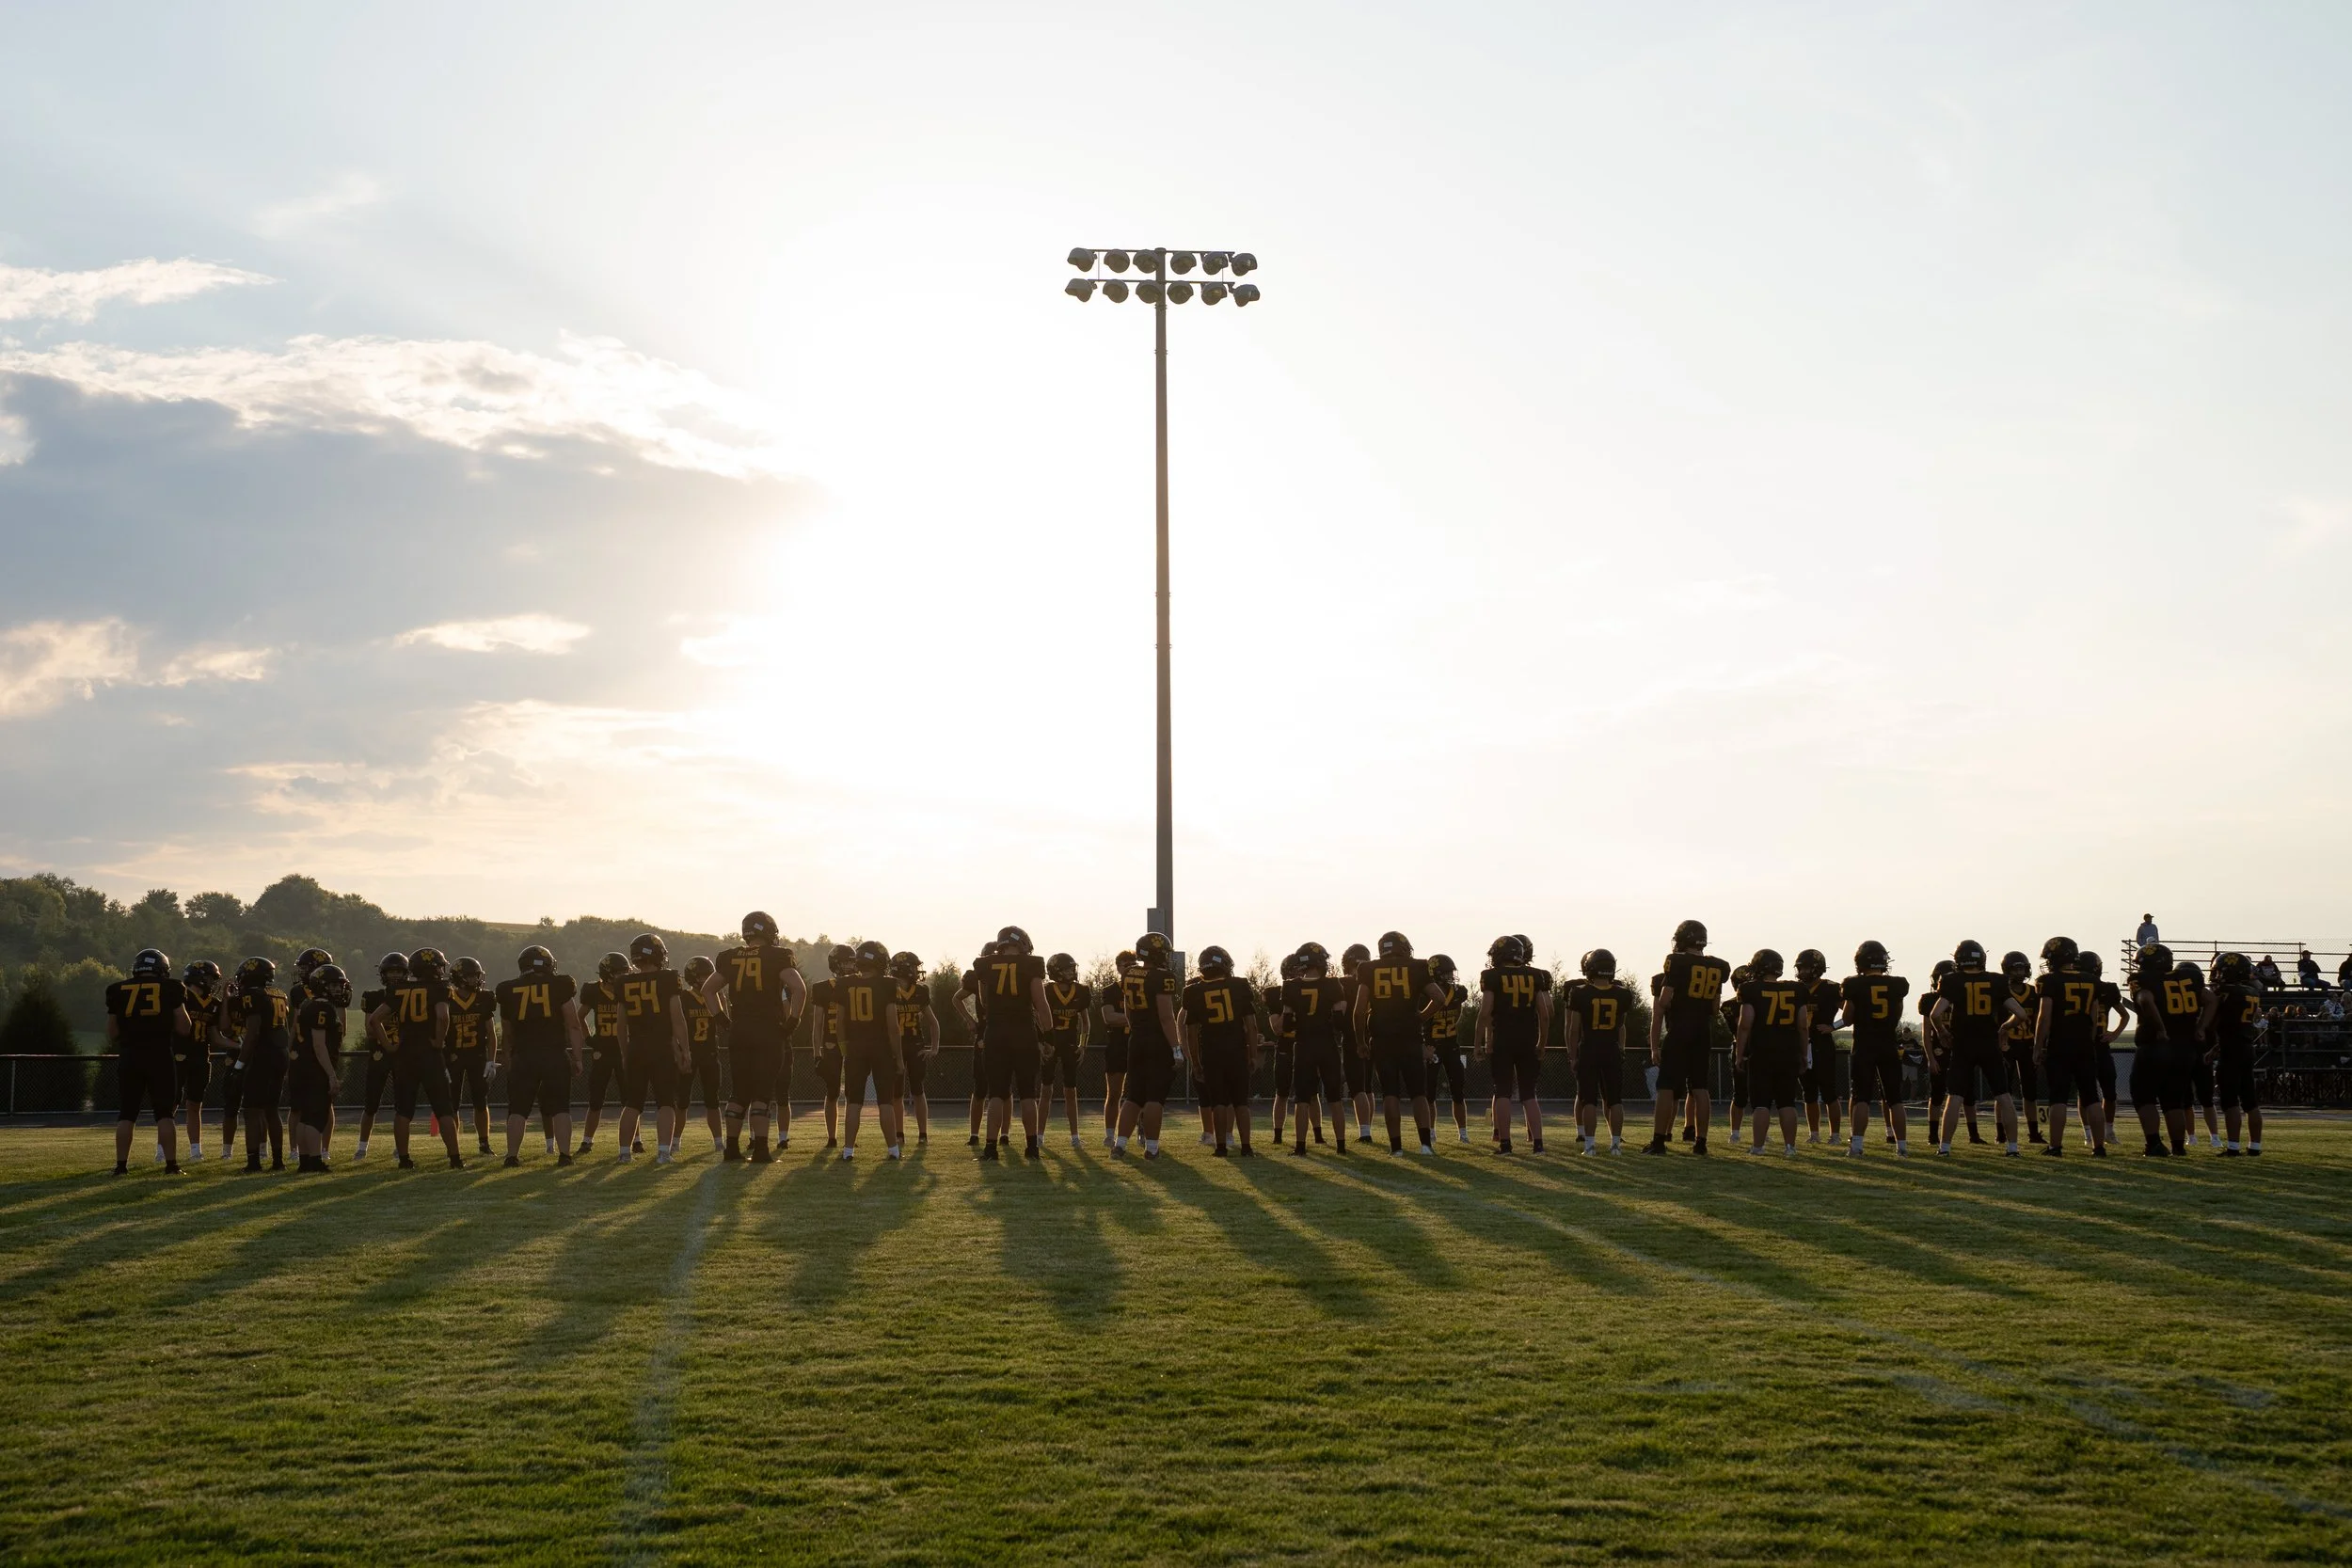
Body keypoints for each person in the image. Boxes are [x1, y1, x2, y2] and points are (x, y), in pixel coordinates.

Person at [705, 911, 806, 1164]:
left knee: (739, 1092)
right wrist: (793, 1020)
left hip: (739, 1031)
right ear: (768, 931)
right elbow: (799, 988)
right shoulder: (777, 956)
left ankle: (731, 1149)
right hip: (767, 1031)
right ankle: (761, 1150)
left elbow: (708, 989)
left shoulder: (730, 957)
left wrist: (721, 1019)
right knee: (762, 1091)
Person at [370, 947, 464, 1169]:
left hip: (404, 1056)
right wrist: (439, 1041)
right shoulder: (441, 988)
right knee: (444, 1109)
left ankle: (404, 1159)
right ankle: (455, 1158)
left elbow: (374, 1020)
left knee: (403, 1110)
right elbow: (442, 1017)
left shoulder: (399, 990)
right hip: (430, 1055)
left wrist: (389, 1046)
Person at [1353, 931, 1446, 1155]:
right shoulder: (1417, 966)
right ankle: (1425, 1145)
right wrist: (1421, 1016)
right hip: (1410, 1037)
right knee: (1418, 1093)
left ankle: (1396, 1148)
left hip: (1382, 1038)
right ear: (1403, 948)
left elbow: (1358, 1011)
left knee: (1390, 1094)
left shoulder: (1368, 969)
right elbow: (1440, 998)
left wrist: (1360, 1041)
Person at [1931, 940, 2028, 1156]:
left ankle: (1944, 1147)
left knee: (1954, 1097)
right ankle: (2012, 1148)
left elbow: (1936, 1014)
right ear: (1982, 959)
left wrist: (1942, 1032)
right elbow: (2021, 1014)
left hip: (1963, 1044)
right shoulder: (1996, 981)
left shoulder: (1951, 980)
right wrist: (2005, 1028)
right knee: (2003, 1096)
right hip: (1988, 1044)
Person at [494, 944, 583, 1165]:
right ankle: (564, 1155)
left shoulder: (507, 989)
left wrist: (507, 1057)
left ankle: (512, 1156)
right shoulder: (560, 984)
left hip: (524, 1055)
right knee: (561, 1107)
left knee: (518, 1109)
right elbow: (573, 1025)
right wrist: (578, 1057)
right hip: (553, 1054)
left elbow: (507, 1032)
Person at [1646, 921, 1728, 1156]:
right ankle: (1701, 1142)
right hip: (1703, 1031)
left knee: (1666, 1088)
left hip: (1680, 1029)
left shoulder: (1677, 962)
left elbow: (1663, 1002)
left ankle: (1659, 1140)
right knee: (1700, 1087)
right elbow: (1715, 1008)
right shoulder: (1718, 966)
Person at [106, 949, 190, 1174]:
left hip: (130, 1055)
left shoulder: (116, 990)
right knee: (164, 1113)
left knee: (127, 1112)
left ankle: (121, 1166)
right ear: (162, 969)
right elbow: (184, 1027)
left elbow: (112, 1032)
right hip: (159, 1055)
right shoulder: (172, 987)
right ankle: (171, 1165)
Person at [612, 933, 690, 1164]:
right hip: (661, 1046)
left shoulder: (623, 982)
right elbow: (677, 1019)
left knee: (632, 1103)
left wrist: (625, 1052)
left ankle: (624, 1153)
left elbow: (621, 1024)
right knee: (666, 1102)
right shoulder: (667, 979)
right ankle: (664, 1153)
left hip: (636, 1046)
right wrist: (685, 1050)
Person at [976, 926, 1050, 1159]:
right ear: (1021, 943)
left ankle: (990, 1147)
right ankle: (1032, 1147)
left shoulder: (985, 964)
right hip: (1023, 1032)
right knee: (1028, 1092)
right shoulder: (1032, 964)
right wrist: (1049, 1035)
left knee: (996, 1093)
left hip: (996, 1032)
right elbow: (1041, 1002)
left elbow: (984, 1001)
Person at [1477, 934, 1553, 1155]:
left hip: (1503, 1041)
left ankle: (1505, 1143)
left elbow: (1484, 1013)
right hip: (1528, 1040)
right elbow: (1545, 1015)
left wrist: (1478, 1042)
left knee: (1502, 1092)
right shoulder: (1535, 975)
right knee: (1529, 1093)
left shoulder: (1492, 976)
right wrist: (1542, 1042)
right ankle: (1538, 1144)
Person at [2030, 938, 2106, 1158]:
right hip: (2084, 1044)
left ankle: (2055, 1146)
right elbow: (2094, 1015)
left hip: (2060, 1044)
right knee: (2091, 1096)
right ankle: (2098, 1147)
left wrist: (2037, 1046)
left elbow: (2044, 1016)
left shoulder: (2049, 981)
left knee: (2059, 1098)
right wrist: (2089, 1040)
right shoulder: (2092, 980)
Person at [1183, 945, 1258, 1155]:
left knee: (1218, 1102)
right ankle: (1246, 1147)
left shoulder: (1192, 991)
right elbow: (1251, 1025)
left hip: (1211, 1052)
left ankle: (1221, 1146)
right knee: (1241, 1101)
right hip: (1235, 1050)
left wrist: (1195, 1062)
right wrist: (1252, 1054)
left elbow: (1191, 1032)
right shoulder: (1239, 985)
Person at [1114, 932, 1184, 1157]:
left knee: (1133, 1096)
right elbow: (1166, 1016)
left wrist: (1136, 1030)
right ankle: (1151, 1148)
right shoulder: (1162, 977)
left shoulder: (1129, 974)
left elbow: (1127, 1009)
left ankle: (1120, 1145)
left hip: (1136, 1038)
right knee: (1154, 1097)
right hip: (1157, 1040)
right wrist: (1176, 1048)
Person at [1734, 950, 1809, 1156]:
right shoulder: (1796, 989)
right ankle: (1790, 1147)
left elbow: (1745, 1024)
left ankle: (1758, 1147)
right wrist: (1804, 1053)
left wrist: (1739, 1054)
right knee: (1787, 1102)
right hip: (1788, 1052)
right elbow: (1803, 1025)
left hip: (1762, 1052)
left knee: (1760, 1104)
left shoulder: (1750, 989)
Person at [1839, 942, 1912, 1156]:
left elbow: (1847, 1018)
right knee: (1894, 1098)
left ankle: (1857, 1145)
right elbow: (1897, 1014)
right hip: (1888, 1044)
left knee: (1861, 1097)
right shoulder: (1897, 984)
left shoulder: (1853, 984)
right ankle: (1902, 1148)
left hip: (1864, 1045)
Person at [837, 940, 905, 1161]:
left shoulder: (844, 983)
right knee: (885, 1100)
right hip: (881, 1047)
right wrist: (899, 1058)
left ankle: (848, 1150)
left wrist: (845, 1049)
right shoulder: (887, 984)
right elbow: (893, 1027)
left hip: (855, 1047)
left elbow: (840, 1023)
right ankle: (893, 1150)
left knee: (853, 1101)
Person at [2127, 943, 2196, 1157]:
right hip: (2183, 1049)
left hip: (2155, 1046)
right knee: (2173, 1101)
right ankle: (2178, 1147)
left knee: (2144, 1097)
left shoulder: (2143, 980)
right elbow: (2210, 1000)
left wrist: (2160, 1028)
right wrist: (2201, 1029)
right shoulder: (2186, 979)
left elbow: (2146, 1000)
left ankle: (2154, 1144)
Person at [1282, 942, 1351, 1155]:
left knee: (1302, 1100)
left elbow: (1286, 1024)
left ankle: (1301, 1146)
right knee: (1335, 1099)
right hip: (1327, 1045)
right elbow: (1340, 1022)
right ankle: (1341, 1146)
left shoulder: (1291, 986)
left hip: (1303, 1046)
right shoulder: (1332, 985)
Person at [1563, 948, 1632, 1155]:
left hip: (1589, 1049)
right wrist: (1621, 1049)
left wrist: (1572, 1055)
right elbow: (1621, 1027)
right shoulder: (1622, 993)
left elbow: (1574, 1029)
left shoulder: (1580, 993)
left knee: (1589, 1100)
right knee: (1615, 1100)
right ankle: (1615, 1145)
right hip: (1611, 1049)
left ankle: (1590, 1145)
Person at [225, 958, 290, 1172]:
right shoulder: (279, 994)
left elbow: (252, 1033)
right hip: (280, 1053)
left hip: (263, 1056)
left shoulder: (253, 995)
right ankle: (278, 1161)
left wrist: (239, 1065)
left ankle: (253, 1163)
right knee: (272, 1109)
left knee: (252, 1110)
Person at [288, 966, 350, 1172]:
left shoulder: (307, 1004)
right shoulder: (323, 1008)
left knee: (306, 1116)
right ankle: (314, 1160)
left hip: (302, 1066)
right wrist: (331, 1075)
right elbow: (319, 1044)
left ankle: (305, 1160)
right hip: (315, 1068)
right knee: (316, 1115)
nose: (338, 989)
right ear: (322, 986)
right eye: (333, 985)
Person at [2206, 952, 2265, 1155]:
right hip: (2246, 1047)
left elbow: (2216, 1020)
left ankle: (2233, 1146)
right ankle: (2255, 1146)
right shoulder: (2252, 992)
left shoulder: (2225, 992)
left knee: (2230, 1100)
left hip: (2231, 1049)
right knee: (2250, 1100)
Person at [353, 952, 409, 1160]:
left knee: (402, 1105)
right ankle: (362, 1146)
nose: (394, 975)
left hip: (402, 1055)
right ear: (383, 974)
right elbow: (369, 1030)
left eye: (398, 971)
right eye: (391, 971)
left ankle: (399, 1147)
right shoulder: (374, 996)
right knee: (371, 1104)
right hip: (379, 1053)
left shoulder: (410, 995)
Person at [445, 957, 499, 1158]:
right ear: (459, 978)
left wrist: (491, 1060)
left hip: (476, 1055)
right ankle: (454, 1146)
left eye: (477, 975)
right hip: (453, 1056)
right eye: (470, 976)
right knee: (452, 1104)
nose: (476, 980)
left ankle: (484, 1144)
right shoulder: (447, 998)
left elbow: (491, 1034)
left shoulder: (484, 998)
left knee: (480, 1101)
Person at [675, 956, 727, 1155]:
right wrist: (681, 1051)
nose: (708, 978)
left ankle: (718, 1142)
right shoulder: (683, 998)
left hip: (710, 1053)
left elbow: (725, 1022)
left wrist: (721, 999)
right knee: (682, 1101)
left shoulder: (713, 996)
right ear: (693, 977)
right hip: (689, 1052)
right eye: (704, 975)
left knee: (712, 1100)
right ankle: (675, 1142)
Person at [576, 954, 628, 1154]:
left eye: (625, 972)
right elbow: (579, 1017)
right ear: (607, 974)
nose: (623, 976)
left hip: (623, 1050)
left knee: (629, 1099)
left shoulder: (627, 991)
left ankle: (637, 1140)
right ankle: (587, 1141)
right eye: (619, 972)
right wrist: (589, 1039)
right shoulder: (593, 991)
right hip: (603, 1051)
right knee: (596, 1100)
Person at [1041, 953, 1091, 1149]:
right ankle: (1039, 1136)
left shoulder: (1081, 991)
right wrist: (1042, 1043)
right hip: (1051, 1045)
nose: (1072, 972)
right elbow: (1038, 1018)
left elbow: (1086, 1022)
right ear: (1057, 972)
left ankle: (1075, 1136)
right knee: (1046, 1090)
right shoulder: (1047, 991)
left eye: (1072, 968)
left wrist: (1083, 1045)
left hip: (1070, 1044)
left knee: (1071, 1091)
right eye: (1068, 969)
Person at [807, 944, 854, 1149]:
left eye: (852, 961)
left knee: (853, 1092)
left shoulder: (857, 985)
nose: (851, 965)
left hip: (853, 1043)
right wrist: (816, 1053)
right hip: (831, 1042)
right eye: (846, 961)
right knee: (833, 1090)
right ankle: (832, 1137)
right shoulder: (822, 988)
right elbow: (817, 1024)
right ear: (835, 964)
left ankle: (850, 1137)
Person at [1792, 950, 1842, 1145]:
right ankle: (1814, 1134)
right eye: (1800, 968)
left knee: (1829, 1091)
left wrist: (1834, 1026)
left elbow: (1849, 1012)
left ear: (1816, 968)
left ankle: (1835, 1135)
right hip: (1802, 1043)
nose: (1802, 972)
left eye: (1805, 967)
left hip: (1821, 1043)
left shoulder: (1830, 988)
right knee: (1808, 1092)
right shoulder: (1795, 989)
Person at [889, 952, 939, 1146]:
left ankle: (923, 1134)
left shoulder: (920, 991)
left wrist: (934, 1048)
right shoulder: (888, 990)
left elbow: (933, 1023)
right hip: (896, 1046)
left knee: (918, 1091)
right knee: (897, 1093)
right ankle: (899, 1134)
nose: (917, 971)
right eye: (913, 967)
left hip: (915, 1045)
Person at [177, 959, 223, 1163]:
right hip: (178, 1054)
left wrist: (241, 1045)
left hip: (201, 1056)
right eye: (209, 978)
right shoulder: (182, 997)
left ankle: (196, 1150)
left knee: (195, 1104)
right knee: (171, 1103)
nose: (212, 983)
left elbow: (215, 1037)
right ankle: (161, 1150)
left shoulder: (214, 1004)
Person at [1424, 955, 1471, 1145]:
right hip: (1431, 1047)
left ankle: (1463, 1132)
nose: (1451, 976)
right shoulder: (1424, 995)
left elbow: (1458, 1014)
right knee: (1429, 1093)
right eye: (1446, 973)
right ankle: (1431, 1131)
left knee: (1458, 1091)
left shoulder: (1458, 992)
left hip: (1451, 1045)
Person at [2081, 950, 2127, 1144]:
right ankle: (2089, 1133)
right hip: (2083, 1045)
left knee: (2109, 1092)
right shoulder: (2078, 987)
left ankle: (2108, 1130)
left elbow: (2124, 1015)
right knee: (2085, 1091)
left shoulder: (2107, 989)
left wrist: (2115, 1033)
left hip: (2100, 1044)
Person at [2000, 951, 2043, 1145]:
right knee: (2002, 1090)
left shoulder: (2034, 992)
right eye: (2015, 968)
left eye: (2022, 968)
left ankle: (2033, 1133)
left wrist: (2039, 1045)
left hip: (2027, 1042)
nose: (2019, 972)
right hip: (2007, 1044)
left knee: (2030, 1091)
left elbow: (2038, 1021)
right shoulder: (2000, 991)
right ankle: (2001, 1133)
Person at [1095, 951, 1136, 1144]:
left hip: (1138, 1043)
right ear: (1118, 967)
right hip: (1118, 1044)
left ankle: (1142, 1133)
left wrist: (1125, 1020)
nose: (1129, 967)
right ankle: (1110, 1134)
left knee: (1140, 1093)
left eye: (1132, 963)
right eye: (1125, 964)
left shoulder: (1143, 987)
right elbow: (1109, 1017)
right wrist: (1136, 1018)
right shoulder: (1111, 990)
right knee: (1114, 1093)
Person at [1339, 942, 1375, 1146]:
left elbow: (1342, 1012)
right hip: (1373, 1035)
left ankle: (1365, 1132)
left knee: (1358, 1088)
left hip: (1354, 1037)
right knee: (1367, 1086)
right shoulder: (1373, 980)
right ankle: (1366, 1127)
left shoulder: (1344, 983)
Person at [1264, 955, 1302, 1147]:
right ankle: (1277, 1135)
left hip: (1306, 1045)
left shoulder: (1314, 990)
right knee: (1282, 1093)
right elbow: (1277, 1029)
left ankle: (1319, 1135)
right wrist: (1289, 1004)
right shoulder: (1275, 994)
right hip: (1286, 1046)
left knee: (1310, 1095)